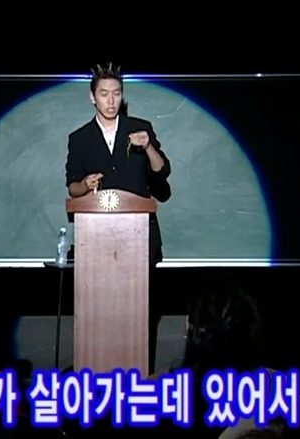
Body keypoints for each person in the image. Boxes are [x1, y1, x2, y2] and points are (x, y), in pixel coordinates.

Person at [64, 62, 172, 374]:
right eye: (104, 94)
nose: (111, 100)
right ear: (92, 97)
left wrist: (148, 146)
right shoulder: (80, 138)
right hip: (97, 242)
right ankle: (97, 373)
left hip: (139, 240)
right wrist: (85, 185)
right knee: (100, 314)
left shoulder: (140, 129)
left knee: (140, 313)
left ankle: (138, 375)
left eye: (116, 93)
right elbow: (72, 186)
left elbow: (162, 171)